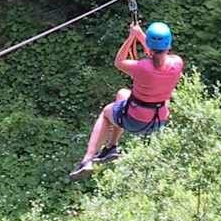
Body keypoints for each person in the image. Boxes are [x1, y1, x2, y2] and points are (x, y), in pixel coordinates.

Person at [69, 20, 183, 180]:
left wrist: (131, 37)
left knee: (106, 112)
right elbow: (156, 55)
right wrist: (139, 33)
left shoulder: (141, 67)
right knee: (122, 94)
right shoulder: (177, 63)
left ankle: (87, 159)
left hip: (135, 120)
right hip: (158, 120)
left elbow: (119, 62)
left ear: (149, 46)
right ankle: (111, 147)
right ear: (169, 44)